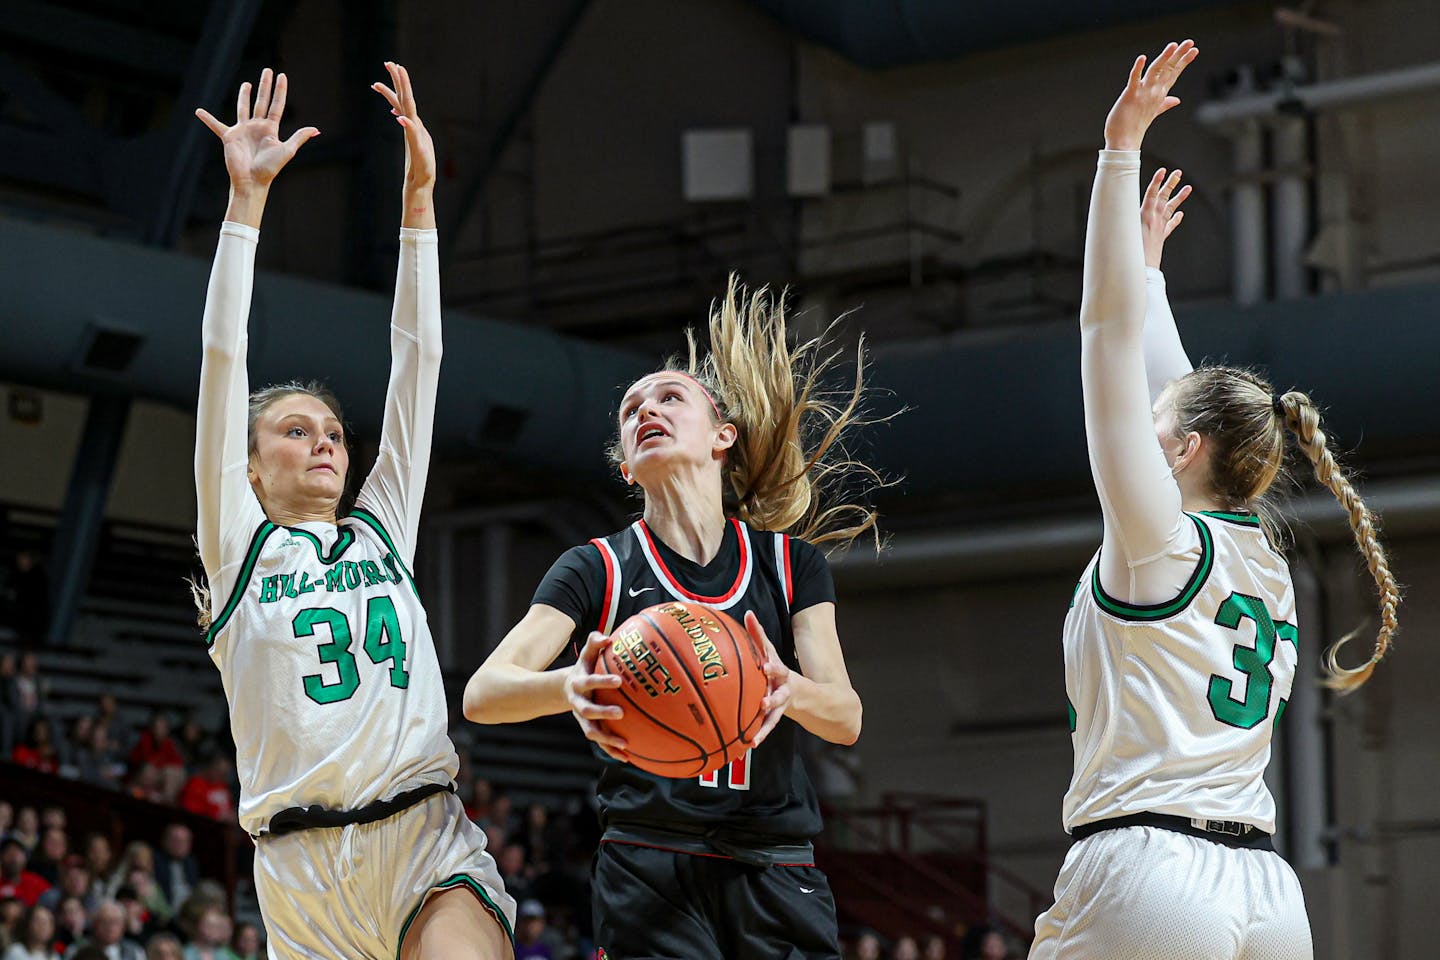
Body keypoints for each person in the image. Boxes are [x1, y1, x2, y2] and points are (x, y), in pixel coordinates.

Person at [1028, 41, 1400, 960]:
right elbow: (1179, 388)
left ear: (1185, 451)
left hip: (1146, 872)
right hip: (1266, 894)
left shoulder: (1157, 541)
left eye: (1161, 429)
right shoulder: (1258, 559)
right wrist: (1149, 277)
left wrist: (1118, 151)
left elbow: (1105, 340)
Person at [190, 63, 514, 958]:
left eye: (334, 431)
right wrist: (244, 206)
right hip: (297, 874)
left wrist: (420, 202)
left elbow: (421, 362)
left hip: (423, 842)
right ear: (251, 471)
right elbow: (223, 359)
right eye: (295, 432)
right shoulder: (238, 551)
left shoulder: (381, 528)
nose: (327, 442)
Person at [465, 277, 879, 959]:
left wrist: (786, 687)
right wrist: (570, 686)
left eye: (669, 397)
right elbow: (484, 694)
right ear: (626, 467)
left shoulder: (788, 565)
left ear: (723, 436)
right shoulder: (595, 567)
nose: (646, 410)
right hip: (648, 858)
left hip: (774, 861)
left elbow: (845, 716)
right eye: (631, 409)